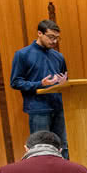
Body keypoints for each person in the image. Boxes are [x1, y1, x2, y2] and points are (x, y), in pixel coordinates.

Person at [10, 19, 69, 159]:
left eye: (57, 38)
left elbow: (65, 78)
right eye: (51, 37)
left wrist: (63, 83)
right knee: (40, 148)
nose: (54, 41)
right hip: (38, 109)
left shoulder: (59, 56)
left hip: (58, 106)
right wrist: (39, 84)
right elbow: (16, 82)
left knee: (63, 146)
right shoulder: (23, 54)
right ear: (39, 33)